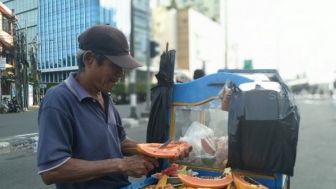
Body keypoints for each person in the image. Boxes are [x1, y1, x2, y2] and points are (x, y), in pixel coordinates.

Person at [37, 25, 190, 189]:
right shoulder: (58, 100)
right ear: (89, 59)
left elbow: (121, 142)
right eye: (115, 66)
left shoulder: (104, 96)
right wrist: (122, 165)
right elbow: (51, 170)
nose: (121, 74)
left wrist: (162, 150)